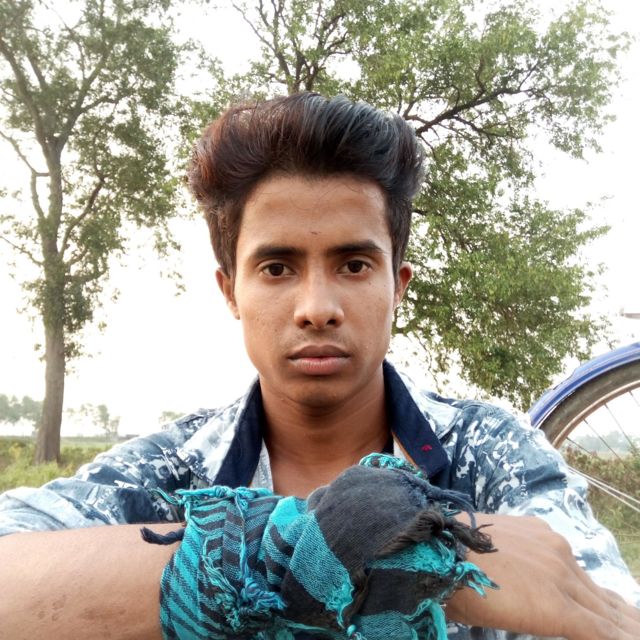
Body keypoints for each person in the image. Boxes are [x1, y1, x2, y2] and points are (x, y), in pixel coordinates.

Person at [0, 93, 638, 640]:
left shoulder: (488, 453)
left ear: (397, 286)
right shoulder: (171, 472)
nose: (317, 308)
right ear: (230, 291)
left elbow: (606, 608)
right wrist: (382, 549)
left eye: (354, 265)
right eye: (277, 268)